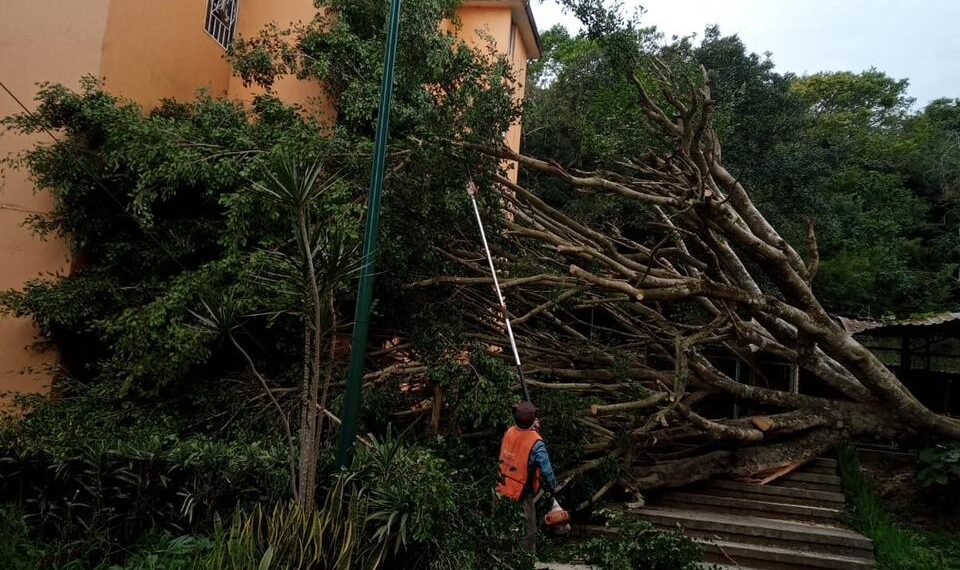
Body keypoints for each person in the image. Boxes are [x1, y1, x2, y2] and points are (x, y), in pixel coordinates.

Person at [496, 401, 559, 555]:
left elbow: (520, 442)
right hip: (522, 493)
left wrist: (532, 429)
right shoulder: (536, 443)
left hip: (501, 488)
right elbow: (546, 470)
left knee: (503, 529)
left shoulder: (509, 431)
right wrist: (552, 487)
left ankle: (503, 558)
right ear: (532, 421)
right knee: (527, 533)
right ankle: (525, 561)